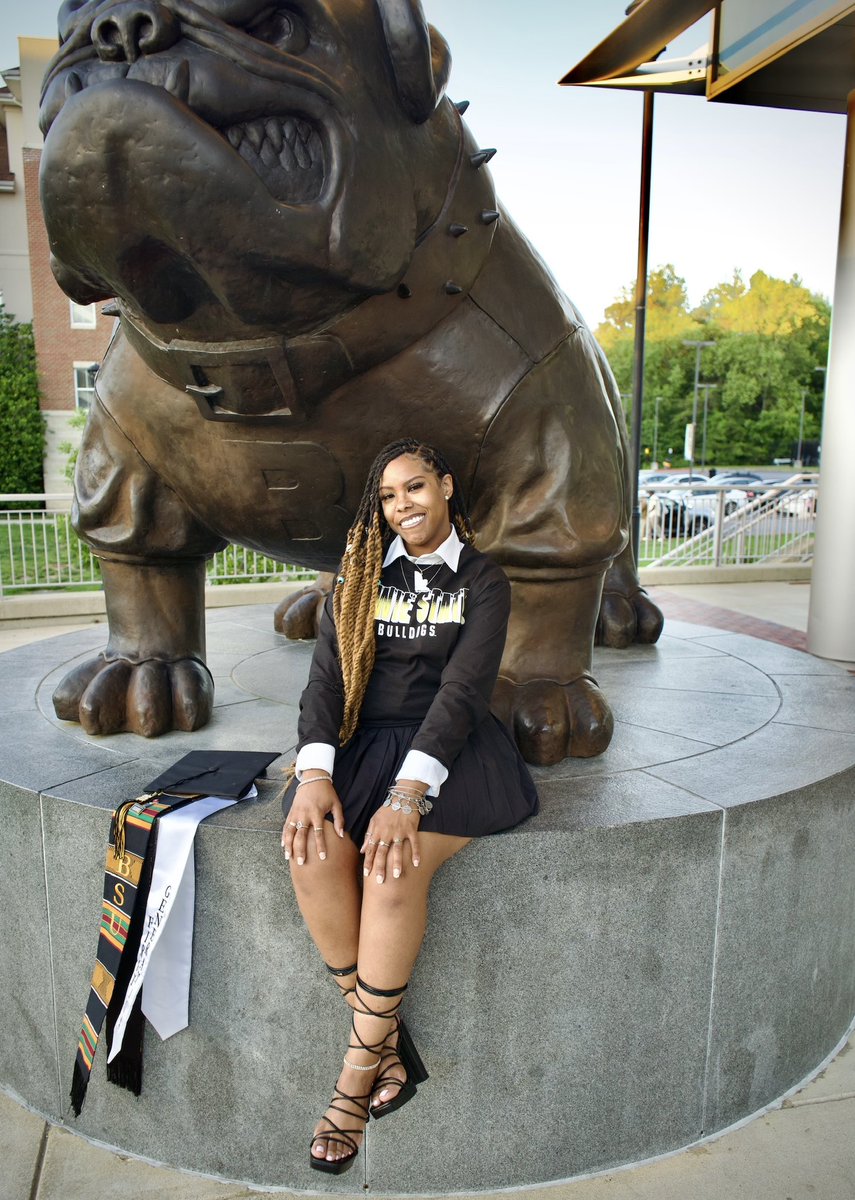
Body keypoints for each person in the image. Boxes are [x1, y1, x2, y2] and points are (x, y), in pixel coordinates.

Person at [281, 438, 538, 1174]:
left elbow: (460, 696)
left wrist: (408, 796)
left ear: (447, 487)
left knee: (392, 871)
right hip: (364, 747)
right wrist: (313, 775)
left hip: (451, 755)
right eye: (389, 497)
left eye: (416, 487)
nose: (403, 507)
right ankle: (389, 1049)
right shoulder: (359, 577)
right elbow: (325, 684)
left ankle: (355, 1078)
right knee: (311, 849)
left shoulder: (483, 582)